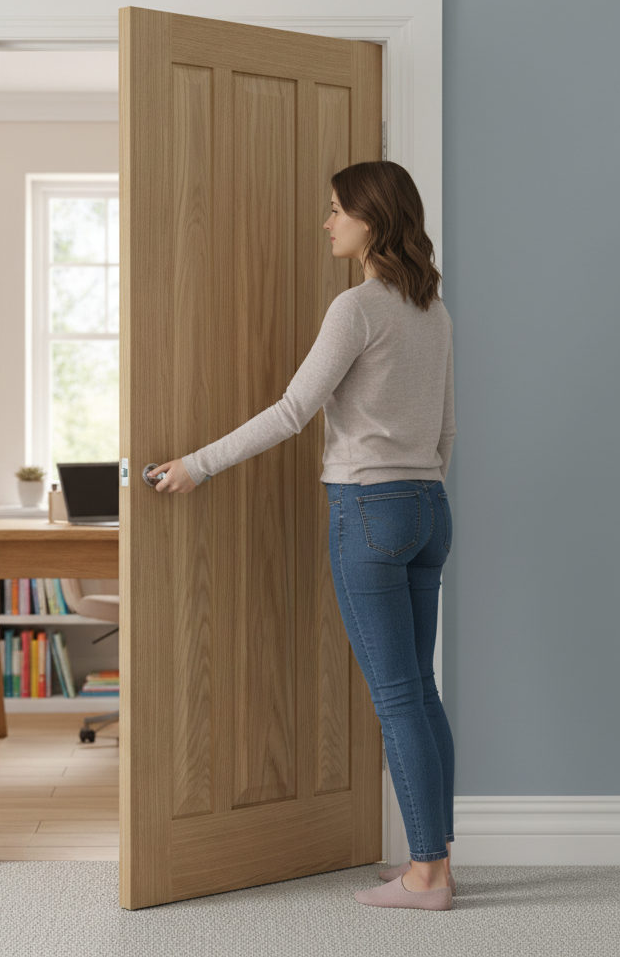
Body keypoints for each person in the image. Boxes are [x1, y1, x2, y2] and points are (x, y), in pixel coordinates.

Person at [148, 160, 456, 913]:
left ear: (373, 221)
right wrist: (421, 484)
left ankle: (426, 878)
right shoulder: (434, 311)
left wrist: (199, 464)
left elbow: (292, 411)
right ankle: (435, 864)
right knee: (420, 691)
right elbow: (447, 428)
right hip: (428, 505)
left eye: (336, 211)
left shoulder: (356, 308)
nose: (327, 223)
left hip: (368, 508)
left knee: (395, 699)